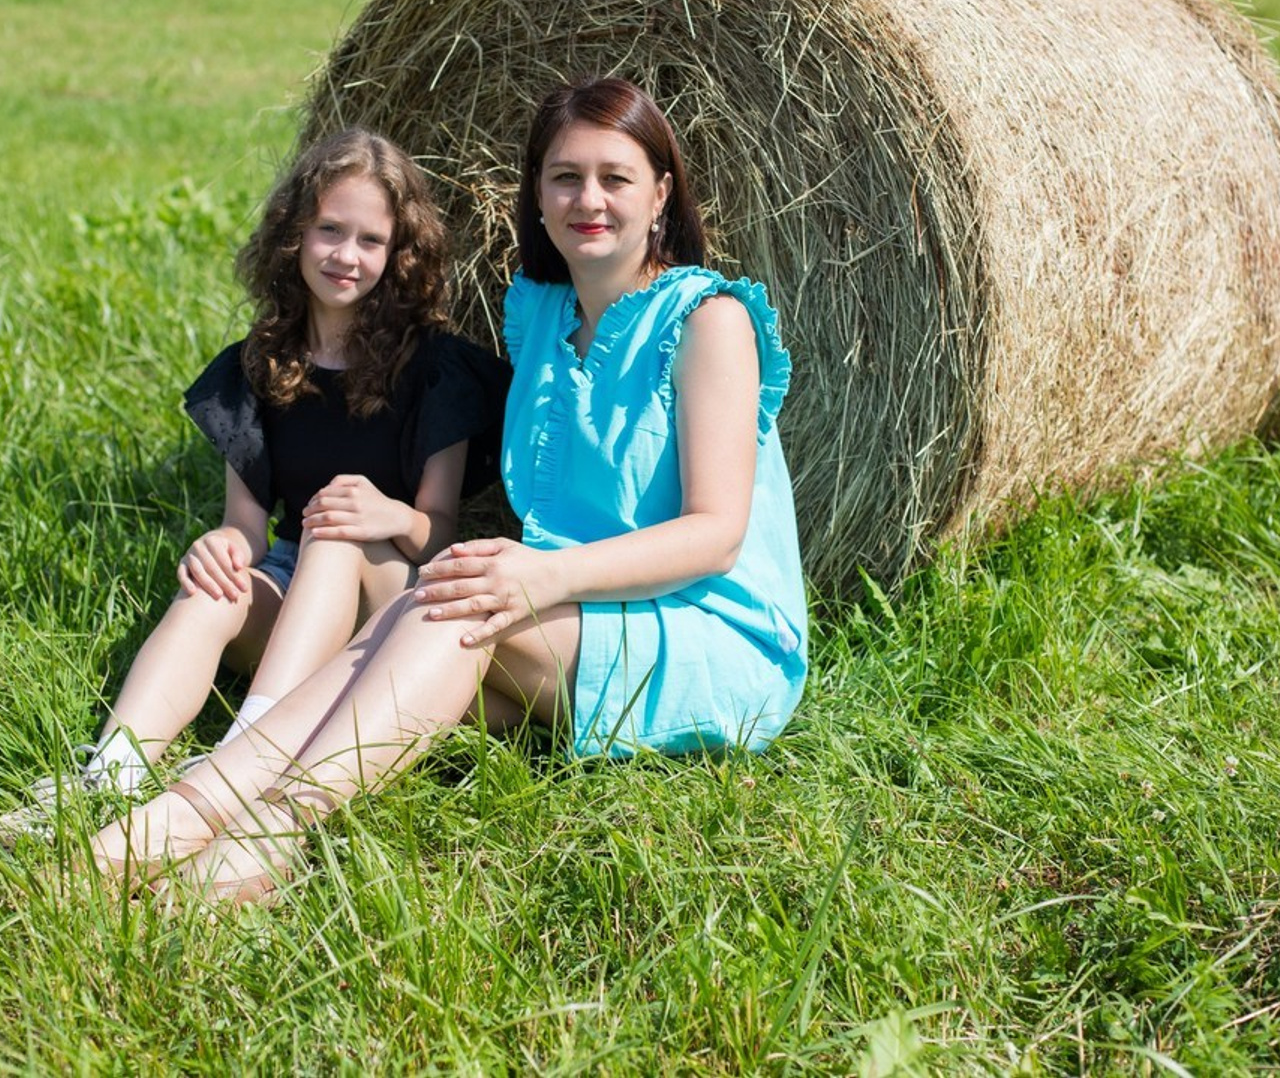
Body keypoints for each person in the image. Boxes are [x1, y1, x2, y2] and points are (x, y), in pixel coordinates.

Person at [88, 78, 808, 903]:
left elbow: (715, 534)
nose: (588, 200)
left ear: (662, 193)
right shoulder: (541, 320)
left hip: (702, 629)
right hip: (572, 618)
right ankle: (168, 822)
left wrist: (543, 575)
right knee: (414, 623)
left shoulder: (710, 321)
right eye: (565, 177)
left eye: (616, 177)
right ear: (536, 195)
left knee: (454, 608)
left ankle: (266, 834)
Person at [2, 127, 509, 838]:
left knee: (335, 528)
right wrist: (222, 547)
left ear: (399, 254)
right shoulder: (258, 365)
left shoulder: (434, 370)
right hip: (295, 583)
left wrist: (390, 514)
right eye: (330, 230)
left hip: (389, 598)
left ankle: (248, 758)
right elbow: (247, 526)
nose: (346, 255)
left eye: (371, 240)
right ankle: (107, 777)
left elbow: (438, 532)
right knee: (211, 593)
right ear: (294, 234)